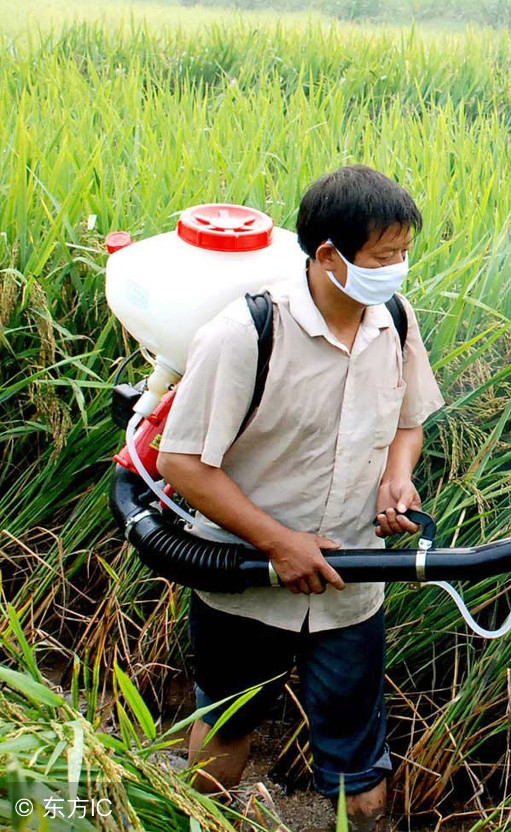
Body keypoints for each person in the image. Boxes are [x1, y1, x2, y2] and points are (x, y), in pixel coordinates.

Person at [156, 164, 446, 832]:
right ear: (327, 255)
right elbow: (183, 463)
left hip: (352, 585)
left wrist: (396, 478)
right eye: (384, 257)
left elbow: (408, 423)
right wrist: (278, 542)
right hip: (245, 582)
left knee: (361, 772)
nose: (398, 270)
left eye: (404, 254)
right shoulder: (247, 333)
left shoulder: (394, 320)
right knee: (226, 734)